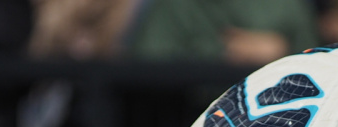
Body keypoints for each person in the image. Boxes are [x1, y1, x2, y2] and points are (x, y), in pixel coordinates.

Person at [125, 0, 317, 66]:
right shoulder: (175, 5)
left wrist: (283, 55)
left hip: (275, 120)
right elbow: (148, 64)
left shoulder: (287, 5)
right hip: (187, 120)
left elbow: (316, 61)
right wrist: (221, 52)